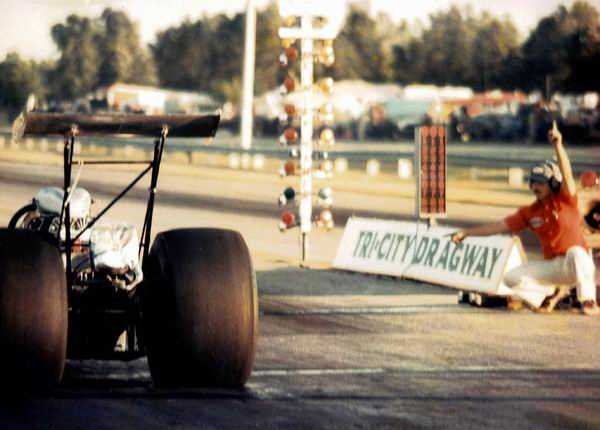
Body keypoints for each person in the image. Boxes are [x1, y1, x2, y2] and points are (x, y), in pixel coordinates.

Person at [451, 122, 599, 316]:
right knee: (511, 278)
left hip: (577, 265)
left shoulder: (566, 199)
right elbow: (498, 226)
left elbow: (567, 172)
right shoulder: (530, 212)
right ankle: (546, 296)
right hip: (554, 267)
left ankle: (588, 301)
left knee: (577, 253)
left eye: (540, 183)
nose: (535, 186)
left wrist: (557, 145)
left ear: (553, 184)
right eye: (533, 182)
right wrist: (466, 233)